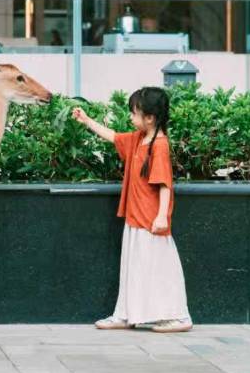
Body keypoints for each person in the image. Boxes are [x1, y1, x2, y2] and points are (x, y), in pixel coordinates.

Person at [71, 87, 193, 333]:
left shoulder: (159, 145)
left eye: (134, 113)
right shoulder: (140, 138)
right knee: (134, 267)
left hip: (151, 221)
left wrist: (160, 217)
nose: (131, 117)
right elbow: (114, 136)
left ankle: (179, 316)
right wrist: (86, 121)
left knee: (161, 267)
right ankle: (126, 314)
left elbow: (164, 184)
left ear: (150, 117)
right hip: (136, 217)